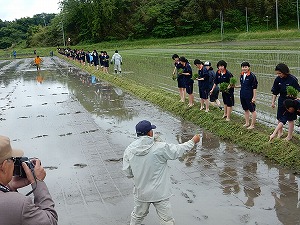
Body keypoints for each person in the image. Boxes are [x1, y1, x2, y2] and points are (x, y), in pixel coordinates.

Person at [122, 120, 200, 225]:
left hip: (141, 192)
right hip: (160, 193)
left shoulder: (129, 150)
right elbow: (179, 150)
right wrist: (193, 141)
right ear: (149, 133)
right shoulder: (160, 148)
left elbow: (128, 173)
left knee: (137, 216)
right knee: (166, 220)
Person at [0, 135, 58, 225]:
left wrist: (9, 186)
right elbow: (50, 221)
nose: (14, 163)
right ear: (3, 166)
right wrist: (38, 182)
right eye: (13, 159)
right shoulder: (20, 204)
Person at [271, 63, 300, 141]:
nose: (279, 75)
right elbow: (275, 91)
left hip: (291, 102)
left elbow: (298, 90)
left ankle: (289, 136)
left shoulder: (293, 79)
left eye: (280, 73)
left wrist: (294, 96)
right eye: (277, 73)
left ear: (284, 71)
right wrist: (273, 102)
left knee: (290, 119)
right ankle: (280, 133)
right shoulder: (278, 79)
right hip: (282, 100)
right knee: (280, 117)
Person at [235, 62, 258, 129]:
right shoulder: (242, 75)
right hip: (242, 95)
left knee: (252, 110)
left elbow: (254, 87)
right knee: (245, 109)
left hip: (249, 95)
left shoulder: (252, 76)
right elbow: (242, 85)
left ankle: (252, 125)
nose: (244, 68)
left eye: (245, 67)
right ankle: (247, 123)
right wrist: (235, 86)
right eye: (243, 67)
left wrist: (254, 97)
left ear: (248, 67)